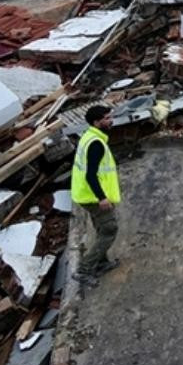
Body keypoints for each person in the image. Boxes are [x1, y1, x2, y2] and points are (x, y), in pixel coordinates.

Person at [70, 106, 121, 286]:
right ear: (96, 122)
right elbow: (90, 175)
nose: (111, 121)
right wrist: (102, 197)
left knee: (101, 227)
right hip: (92, 196)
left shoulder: (89, 136)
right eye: (107, 118)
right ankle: (84, 270)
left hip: (84, 194)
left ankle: (102, 262)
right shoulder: (96, 144)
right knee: (109, 229)